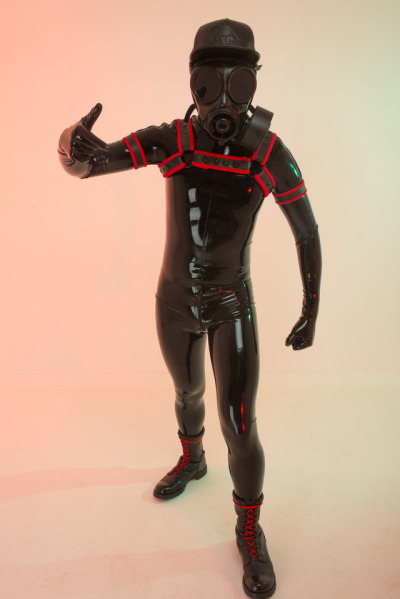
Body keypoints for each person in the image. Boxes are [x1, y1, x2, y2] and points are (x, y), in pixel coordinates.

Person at [58, 18, 321, 599]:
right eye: (209, 84)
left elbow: (306, 231)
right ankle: (193, 460)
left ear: (253, 84)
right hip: (174, 298)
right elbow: (92, 163)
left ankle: (249, 528)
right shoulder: (174, 139)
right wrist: (72, 148)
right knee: (187, 394)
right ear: (193, 83)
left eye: (238, 85)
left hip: (230, 301)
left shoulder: (267, 151)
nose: (223, 101)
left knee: (239, 423)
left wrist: (311, 307)